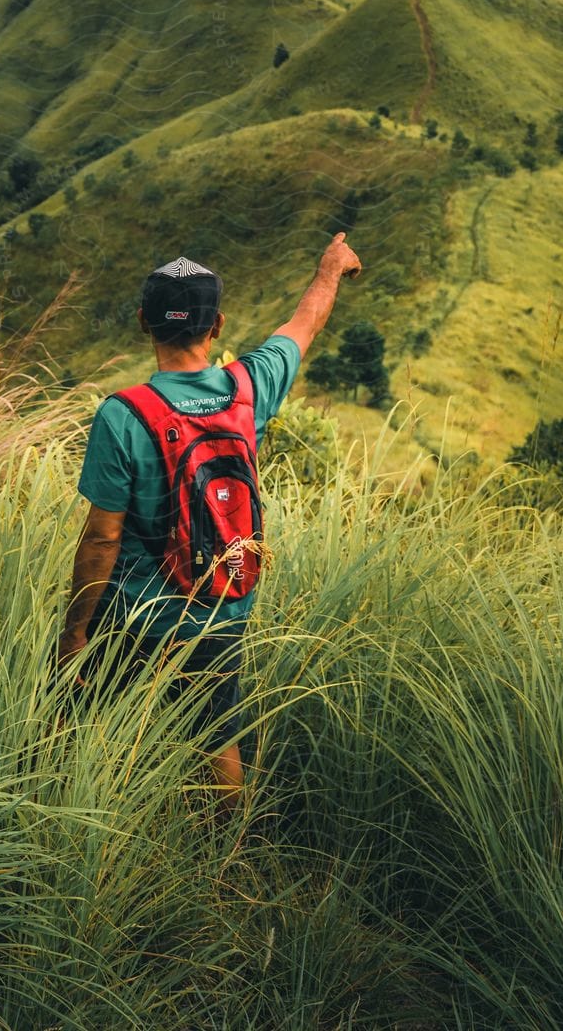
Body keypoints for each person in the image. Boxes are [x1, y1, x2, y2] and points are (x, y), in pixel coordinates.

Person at [55, 231, 363, 814]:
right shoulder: (250, 387)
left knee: (84, 726)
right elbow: (304, 325)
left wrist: (75, 632)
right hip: (223, 605)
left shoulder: (123, 415)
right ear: (216, 325)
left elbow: (101, 538)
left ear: (144, 323)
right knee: (218, 735)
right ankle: (224, 857)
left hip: (135, 615)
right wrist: (330, 268)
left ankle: (84, 825)